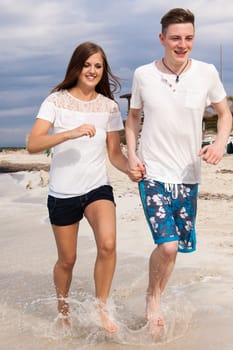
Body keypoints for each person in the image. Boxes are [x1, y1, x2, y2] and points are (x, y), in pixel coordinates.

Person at [125, 8, 232, 333]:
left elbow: (225, 115)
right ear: (162, 39)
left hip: (188, 175)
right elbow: (132, 120)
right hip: (153, 171)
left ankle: (155, 291)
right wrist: (131, 157)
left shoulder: (207, 73)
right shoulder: (143, 74)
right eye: (175, 38)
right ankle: (152, 300)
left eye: (188, 38)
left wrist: (218, 144)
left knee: (175, 249)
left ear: (193, 39)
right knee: (168, 243)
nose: (182, 44)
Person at [27, 41, 139, 333]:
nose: (92, 71)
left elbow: (115, 154)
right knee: (67, 260)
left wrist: (132, 168)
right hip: (62, 193)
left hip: (96, 188)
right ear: (76, 67)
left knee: (108, 244)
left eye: (98, 66)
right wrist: (69, 134)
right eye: (87, 65)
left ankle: (102, 309)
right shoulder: (56, 101)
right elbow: (33, 144)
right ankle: (62, 309)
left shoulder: (109, 107)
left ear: (104, 71)